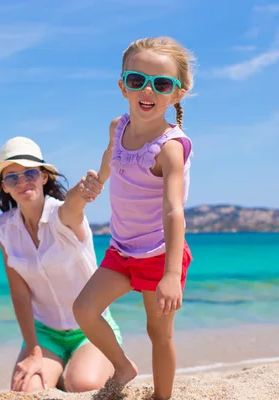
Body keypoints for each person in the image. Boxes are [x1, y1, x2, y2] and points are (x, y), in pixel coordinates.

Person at [72, 36, 195, 400]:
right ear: (123, 85)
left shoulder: (170, 148)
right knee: (84, 309)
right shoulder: (118, 125)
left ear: (176, 94)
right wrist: (98, 179)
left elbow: (174, 211)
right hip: (122, 250)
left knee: (159, 333)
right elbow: (113, 155)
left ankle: (162, 397)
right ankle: (123, 366)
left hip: (159, 255)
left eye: (161, 83)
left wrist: (172, 275)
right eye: (138, 80)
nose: (148, 90)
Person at [0, 136, 123, 393]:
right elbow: (19, 292)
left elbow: (75, 201)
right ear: (4, 187)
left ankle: (90, 366)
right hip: (45, 333)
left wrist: (86, 187)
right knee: (26, 389)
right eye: (12, 178)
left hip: (91, 328)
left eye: (29, 173)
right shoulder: (4, 228)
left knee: (83, 384)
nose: (22, 182)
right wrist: (32, 350)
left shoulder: (63, 216)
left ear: (43, 177)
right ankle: (59, 368)